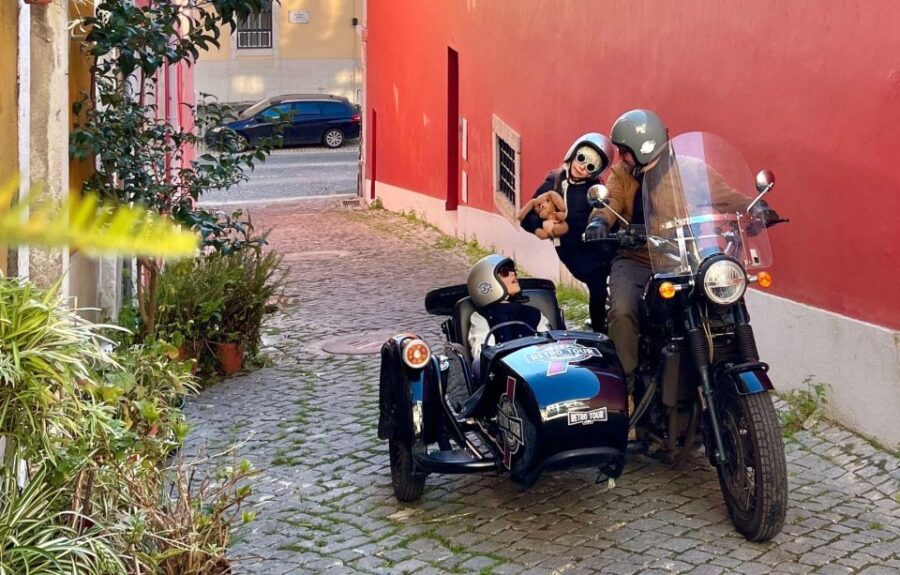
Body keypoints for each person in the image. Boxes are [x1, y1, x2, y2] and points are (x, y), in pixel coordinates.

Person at [583, 109, 780, 391]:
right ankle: (625, 387)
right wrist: (600, 222)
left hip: (683, 258)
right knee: (623, 311)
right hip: (636, 259)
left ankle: (729, 369)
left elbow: (724, 195)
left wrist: (755, 207)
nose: (620, 157)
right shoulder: (622, 174)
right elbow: (610, 203)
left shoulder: (689, 168)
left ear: (642, 149)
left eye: (624, 151)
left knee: (721, 297)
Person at [519, 133, 616, 332]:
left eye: (591, 166)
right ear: (573, 154)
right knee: (596, 285)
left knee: (600, 288)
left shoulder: (596, 189)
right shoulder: (553, 182)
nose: (582, 167)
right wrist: (542, 228)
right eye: (582, 159)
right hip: (572, 251)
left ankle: (602, 329)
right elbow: (528, 215)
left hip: (596, 247)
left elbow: (607, 213)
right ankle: (600, 330)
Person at [466, 254, 551, 361]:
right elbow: (482, 356)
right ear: (486, 282)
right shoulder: (481, 317)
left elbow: (551, 347)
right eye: (505, 272)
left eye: (513, 271)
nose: (513, 274)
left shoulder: (534, 313)